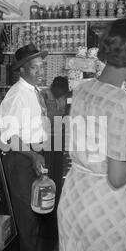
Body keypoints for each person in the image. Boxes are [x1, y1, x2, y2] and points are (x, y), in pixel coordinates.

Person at [49, 17, 126, 251]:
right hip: (104, 206)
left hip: (74, 198)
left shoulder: (83, 89)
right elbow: (117, 178)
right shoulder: (122, 104)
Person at [0, 43, 49, 251]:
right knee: (27, 212)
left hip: (35, 153)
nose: (40, 71)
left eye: (41, 66)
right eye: (34, 67)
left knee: (39, 207)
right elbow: (10, 137)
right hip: (21, 158)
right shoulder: (17, 95)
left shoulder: (34, 91)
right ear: (22, 70)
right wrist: (34, 156)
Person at [40, 76, 70, 242]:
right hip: (45, 142)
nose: (62, 95)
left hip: (59, 140)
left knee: (57, 173)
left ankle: (55, 206)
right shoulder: (43, 96)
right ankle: (46, 209)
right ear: (54, 87)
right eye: (61, 92)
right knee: (47, 173)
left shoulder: (63, 96)